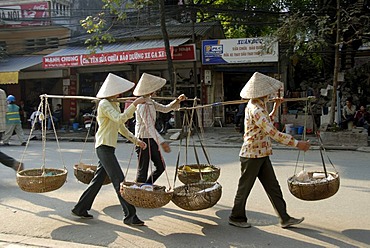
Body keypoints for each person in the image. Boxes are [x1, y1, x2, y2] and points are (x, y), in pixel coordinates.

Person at [229, 72, 310, 229]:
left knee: (273, 187)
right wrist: (296, 143)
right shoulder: (255, 109)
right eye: (268, 92)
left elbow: (267, 123)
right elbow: (272, 132)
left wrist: (276, 107)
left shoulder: (260, 106)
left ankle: (285, 218)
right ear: (262, 93)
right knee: (244, 188)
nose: (270, 94)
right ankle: (236, 217)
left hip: (262, 153)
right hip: (252, 155)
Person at [72, 73, 147, 226]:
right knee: (119, 179)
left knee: (97, 181)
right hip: (103, 147)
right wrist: (135, 104)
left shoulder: (114, 104)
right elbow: (120, 119)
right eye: (117, 91)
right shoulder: (104, 104)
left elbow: (120, 127)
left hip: (109, 148)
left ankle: (80, 208)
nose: (119, 94)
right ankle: (130, 216)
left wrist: (136, 140)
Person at [133, 73, 186, 184]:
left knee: (160, 167)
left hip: (151, 139)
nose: (156, 91)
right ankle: (139, 193)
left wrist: (177, 101)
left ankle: (146, 187)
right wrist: (162, 142)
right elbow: (149, 126)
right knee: (143, 171)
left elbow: (165, 109)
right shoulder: (142, 104)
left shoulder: (150, 102)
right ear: (150, 91)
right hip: (142, 140)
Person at [0, 89, 24, 171]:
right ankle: (23, 141)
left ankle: (6, 142)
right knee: (20, 132)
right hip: (9, 123)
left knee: (8, 133)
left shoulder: (10, 106)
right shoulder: (2, 92)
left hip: (10, 122)